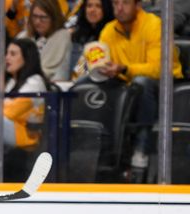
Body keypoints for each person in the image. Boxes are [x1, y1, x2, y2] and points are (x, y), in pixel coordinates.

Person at [98, 0, 182, 173]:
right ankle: (103, 149)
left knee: (141, 83)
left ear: (138, 5)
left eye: (125, 3)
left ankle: (141, 148)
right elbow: (103, 61)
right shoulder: (108, 30)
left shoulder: (155, 25)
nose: (119, 8)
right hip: (127, 82)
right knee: (90, 85)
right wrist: (100, 69)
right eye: (115, 4)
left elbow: (159, 68)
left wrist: (125, 68)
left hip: (164, 84)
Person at [0, 38, 50, 150]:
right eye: (7, 53)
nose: (7, 58)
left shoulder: (35, 82)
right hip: (10, 129)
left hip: (28, 135)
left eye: (13, 54)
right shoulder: (10, 81)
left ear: (26, 58)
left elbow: (10, 112)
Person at [17, 0, 72, 82]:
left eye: (43, 17)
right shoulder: (22, 36)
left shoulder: (62, 36)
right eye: (34, 16)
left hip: (51, 87)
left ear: (53, 18)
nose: (37, 22)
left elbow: (57, 74)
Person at [69, 0, 115, 77]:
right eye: (89, 6)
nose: (92, 10)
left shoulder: (111, 35)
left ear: (106, 9)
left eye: (98, 6)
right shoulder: (76, 35)